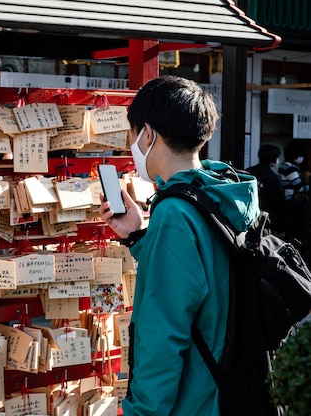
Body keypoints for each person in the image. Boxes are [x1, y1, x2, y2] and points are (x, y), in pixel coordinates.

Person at [99, 76, 261, 415]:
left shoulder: (175, 212)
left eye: (133, 134)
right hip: (227, 387)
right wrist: (137, 235)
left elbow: (163, 335)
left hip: (194, 401)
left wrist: (141, 411)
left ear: (148, 133)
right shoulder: (221, 192)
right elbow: (205, 275)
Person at [246, 144, 286, 234]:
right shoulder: (274, 178)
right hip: (267, 220)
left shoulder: (248, 172)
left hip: (248, 216)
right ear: (274, 160)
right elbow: (279, 203)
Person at [278, 141, 310, 245]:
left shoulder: (285, 165)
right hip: (291, 202)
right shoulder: (290, 168)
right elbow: (299, 187)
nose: (302, 158)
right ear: (296, 155)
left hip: (287, 201)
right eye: (300, 155)